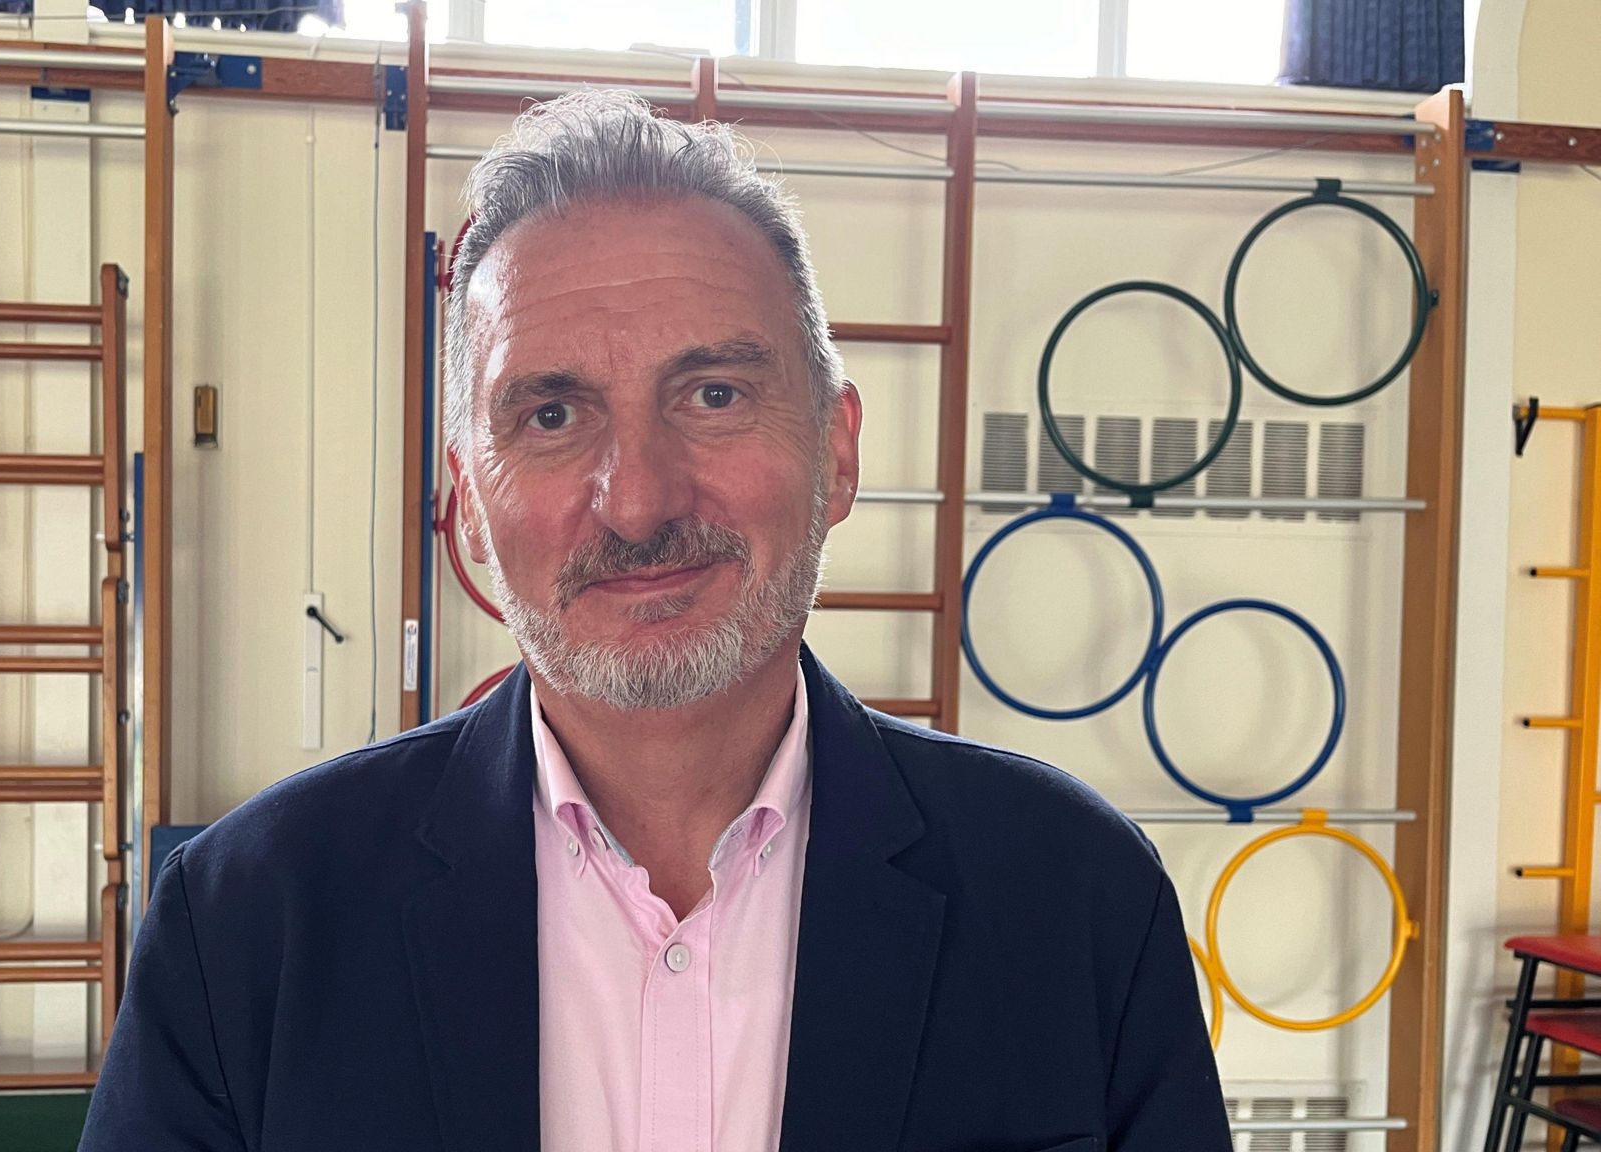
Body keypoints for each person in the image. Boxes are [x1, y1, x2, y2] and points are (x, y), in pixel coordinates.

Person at [81, 90, 1231, 1152]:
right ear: (466, 507)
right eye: (549, 413)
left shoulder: (1073, 899)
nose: (636, 499)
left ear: (835, 451)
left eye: (713, 395)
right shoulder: (248, 927)